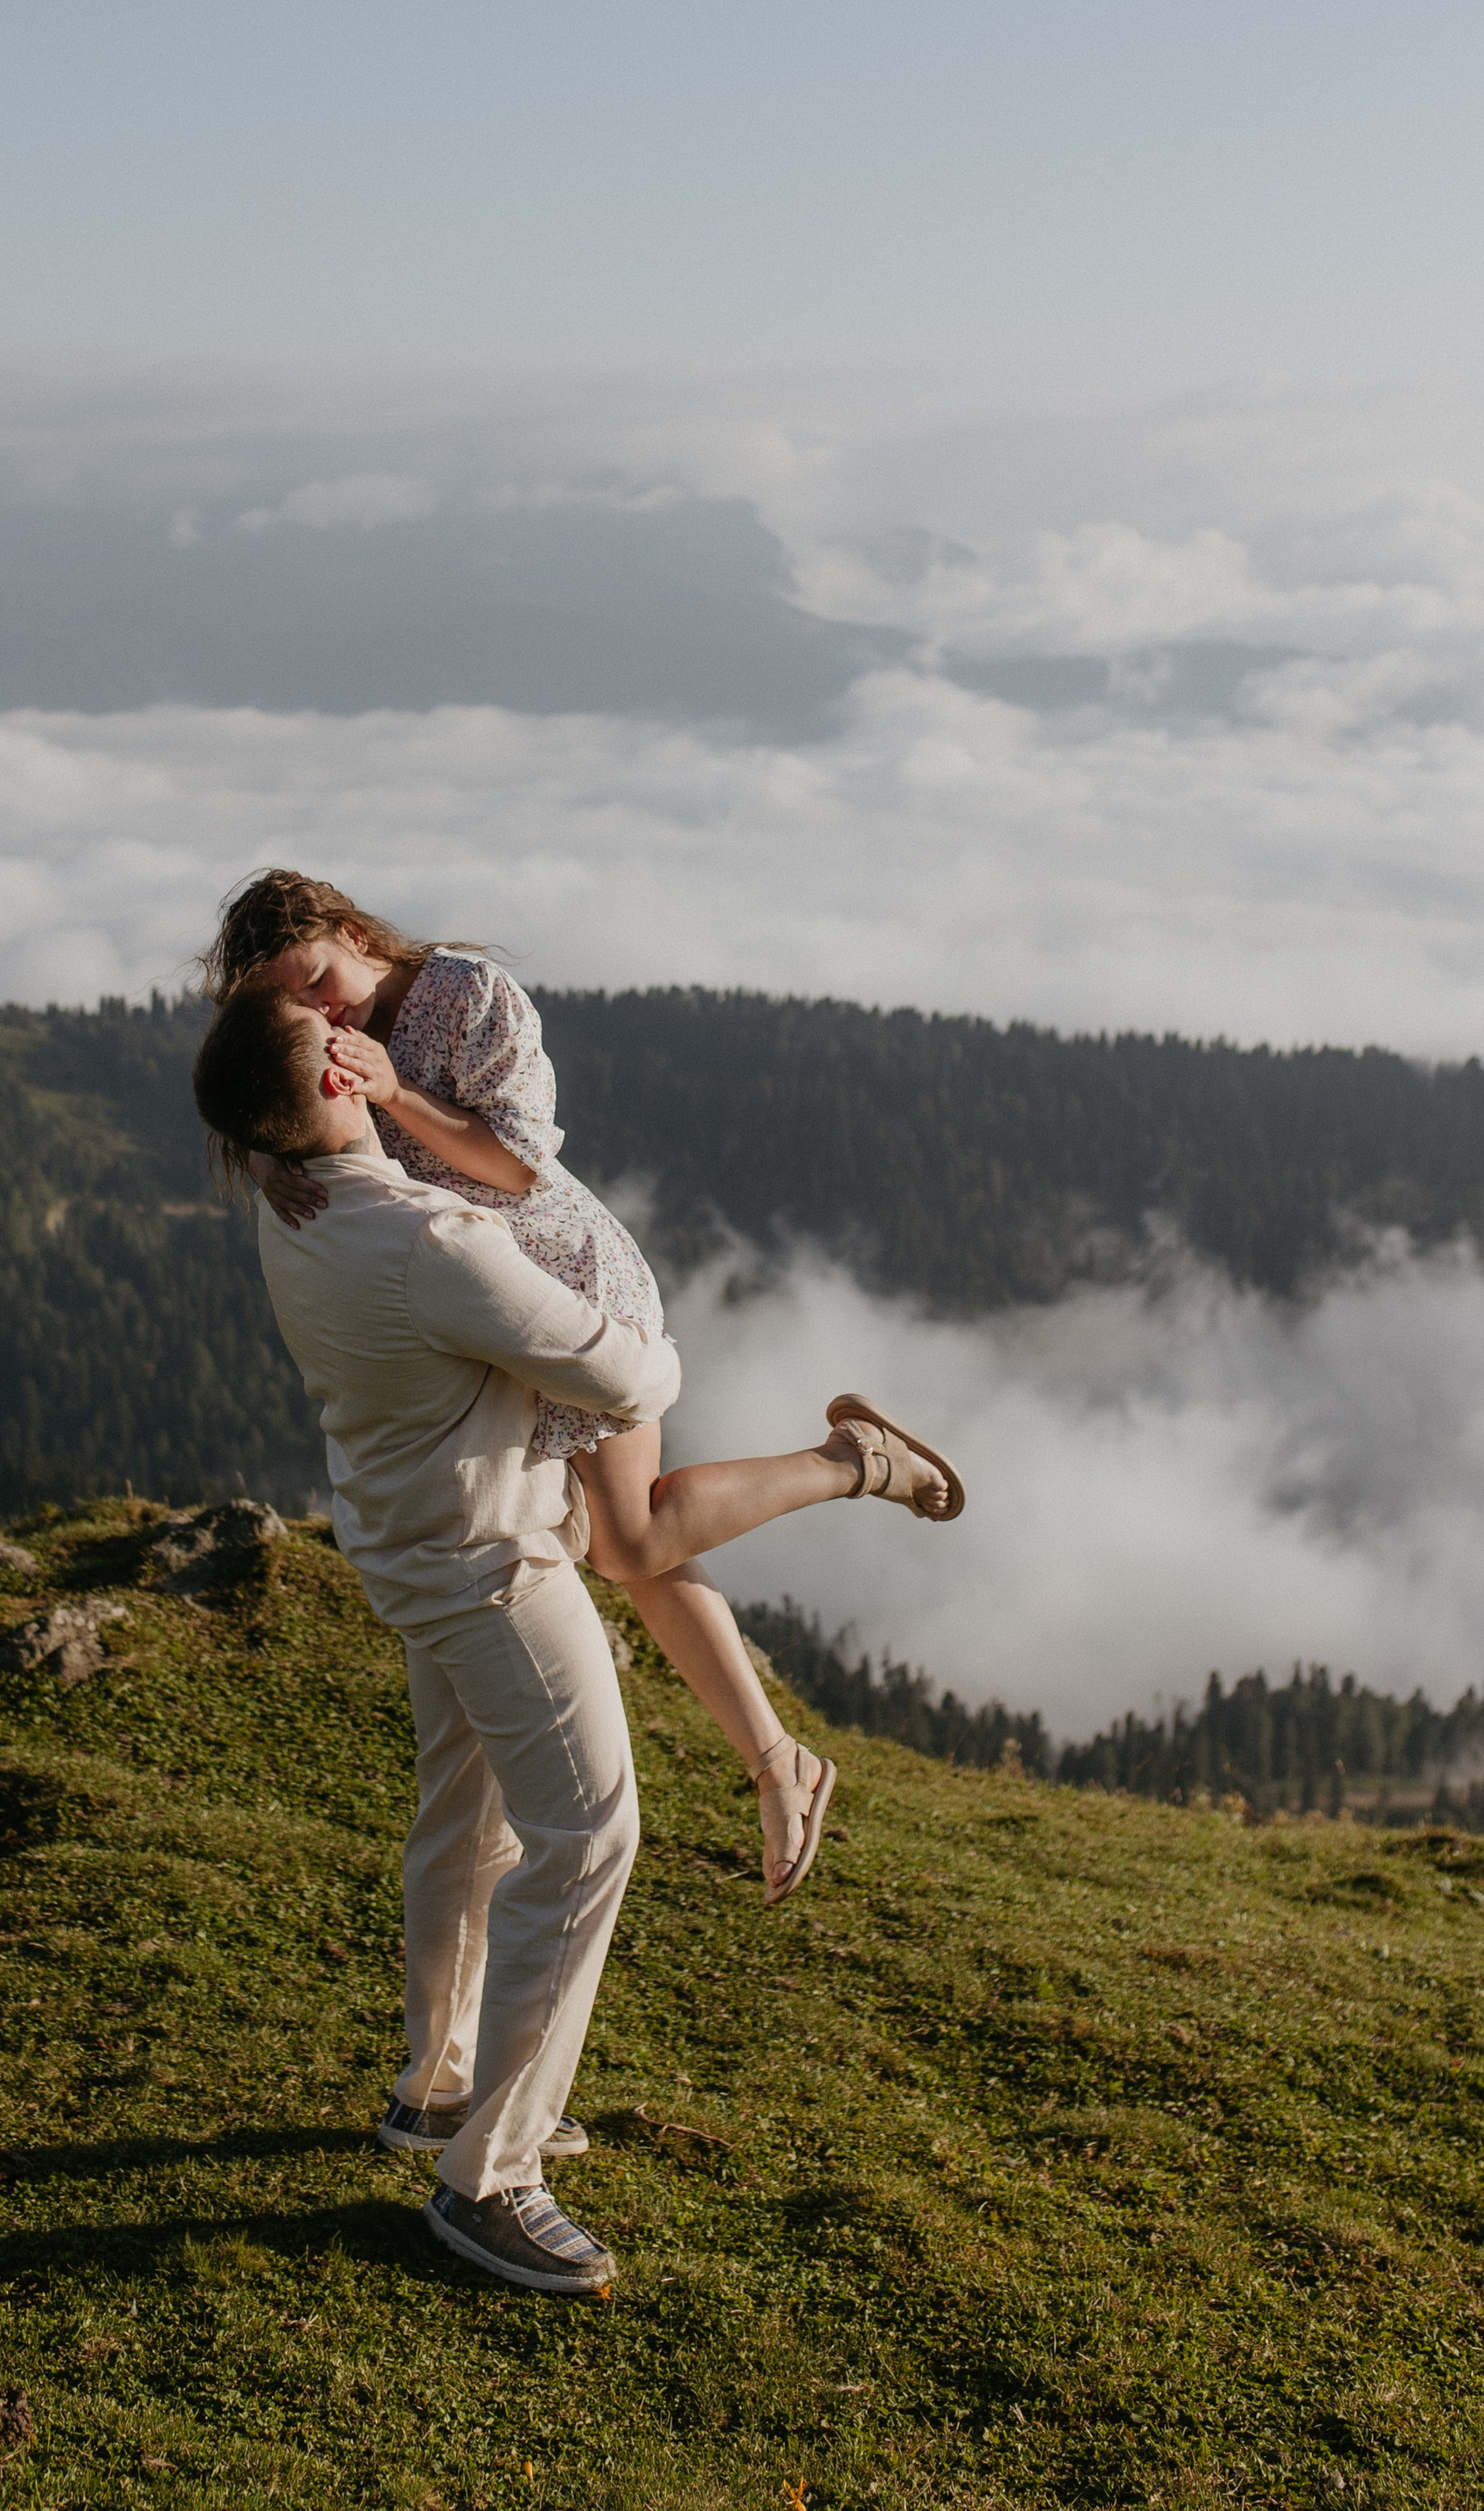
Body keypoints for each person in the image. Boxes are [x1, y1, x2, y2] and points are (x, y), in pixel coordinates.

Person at [189, 982, 953, 2298]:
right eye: (337, 1045)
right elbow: (634, 1381)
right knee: (591, 1833)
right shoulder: (429, 1242)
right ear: (333, 1092)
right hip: (494, 1568)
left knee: (467, 1821)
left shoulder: (290, 1204)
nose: (352, 1037)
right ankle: (491, 2177)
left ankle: (439, 2089)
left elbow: (285, 1129)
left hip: (405, 1543)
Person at [199, 869, 962, 1903]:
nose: (324, 1011)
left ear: (348, 929)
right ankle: (779, 1762)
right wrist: (264, 1149)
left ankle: (852, 1462)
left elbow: (515, 1168)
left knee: (631, 1540)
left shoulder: (467, 996)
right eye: (299, 1006)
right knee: (632, 1549)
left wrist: (390, 1091)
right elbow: (276, 1097)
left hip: (564, 1291)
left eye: (322, 980)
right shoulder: (310, 1035)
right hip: (473, 1316)